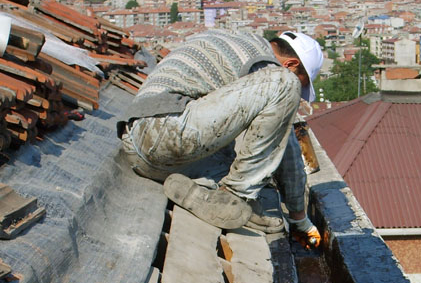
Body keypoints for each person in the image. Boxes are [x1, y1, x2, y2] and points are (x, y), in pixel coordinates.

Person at [118, 29, 324, 248]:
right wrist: (299, 216)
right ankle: (235, 197)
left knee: (240, 168)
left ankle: (205, 194)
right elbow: (287, 143)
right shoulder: (267, 65)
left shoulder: (241, 40)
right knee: (285, 84)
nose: (297, 95)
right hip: (163, 128)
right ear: (290, 64)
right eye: (301, 82)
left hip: (145, 150)